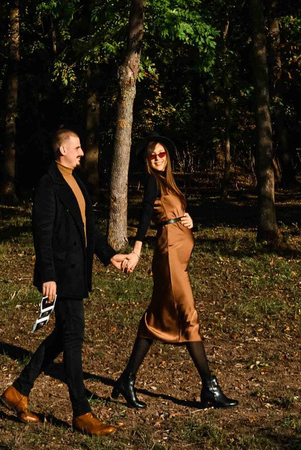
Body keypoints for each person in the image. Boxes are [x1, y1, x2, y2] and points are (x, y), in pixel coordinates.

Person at [1, 128, 137, 433]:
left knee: (63, 336)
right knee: (73, 337)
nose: (81, 152)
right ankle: (81, 412)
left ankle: (18, 391)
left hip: (77, 273)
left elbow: (91, 229)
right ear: (62, 149)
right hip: (60, 275)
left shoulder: (78, 183)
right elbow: (42, 233)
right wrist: (48, 275)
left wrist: (110, 256)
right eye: (76, 147)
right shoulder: (48, 185)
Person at [111, 137, 237, 410]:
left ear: (168, 155)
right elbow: (146, 215)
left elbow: (175, 212)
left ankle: (126, 380)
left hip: (179, 257)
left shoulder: (169, 182)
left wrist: (190, 220)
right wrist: (136, 251)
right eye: (152, 156)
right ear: (147, 160)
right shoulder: (152, 182)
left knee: (155, 318)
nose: (158, 158)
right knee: (188, 315)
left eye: (162, 153)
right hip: (168, 257)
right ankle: (210, 387)